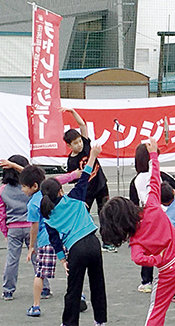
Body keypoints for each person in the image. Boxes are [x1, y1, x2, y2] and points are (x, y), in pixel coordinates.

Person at [99, 138, 175, 325]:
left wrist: (157, 259)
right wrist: (153, 155)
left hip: (169, 269)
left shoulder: (136, 240)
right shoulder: (153, 205)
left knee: (156, 313)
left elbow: (138, 258)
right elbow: (155, 180)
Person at [40, 145, 107, 326]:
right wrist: (93, 154)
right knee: (97, 283)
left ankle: (69, 323)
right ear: (61, 191)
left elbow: (55, 241)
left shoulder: (47, 216)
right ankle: (100, 321)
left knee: (74, 289)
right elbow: (85, 174)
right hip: (93, 243)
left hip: (76, 249)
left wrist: (63, 260)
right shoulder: (76, 196)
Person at [129, 142, 175, 293]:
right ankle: (174, 278)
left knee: (147, 250)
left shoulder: (136, 180)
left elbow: (133, 205)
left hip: (148, 219)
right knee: (171, 248)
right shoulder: (158, 175)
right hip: (166, 217)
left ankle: (146, 281)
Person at [20, 165, 82, 317]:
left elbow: (34, 228)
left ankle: (36, 306)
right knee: (70, 269)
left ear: (34, 186)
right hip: (63, 237)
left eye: (23, 187)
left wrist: (31, 246)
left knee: (40, 274)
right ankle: (79, 296)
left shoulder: (32, 204)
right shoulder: (53, 193)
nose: (22, 190)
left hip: (45, 241)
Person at [61, 107, 115, 253]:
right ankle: (77, 240)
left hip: (101, 184)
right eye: (75, 143)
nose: (79, 144)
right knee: (81, 215)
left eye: (79, 141)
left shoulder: (85, 145)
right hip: (86, 192)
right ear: (69, 145)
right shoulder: (71, 162)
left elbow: (82, 125)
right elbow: (73, 180)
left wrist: (72, 112)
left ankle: (107, 242)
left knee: (105, 211)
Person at [0, 155, 32, 301]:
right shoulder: (31, 187)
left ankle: (8, 290)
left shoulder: (3, 190)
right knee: (37, 259)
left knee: (12, 260)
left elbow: (2, 214)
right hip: (31, 226)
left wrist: (5, 232)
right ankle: (44, 287)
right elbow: (33, 172)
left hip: (13, 227)